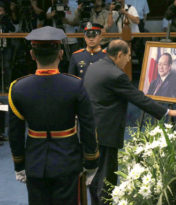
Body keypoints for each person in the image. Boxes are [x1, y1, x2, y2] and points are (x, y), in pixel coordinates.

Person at [8, 26, 99, 205]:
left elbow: (15, 133)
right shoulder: (75, 86)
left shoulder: (17, 88)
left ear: (32, 55)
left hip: (34, 162)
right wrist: (91, 161)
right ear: (60, 54)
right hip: (68, 161)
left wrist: (19, 164)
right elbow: (88, 126)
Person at [83, 39, 176, 205]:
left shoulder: (95, 66)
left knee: (95, 177)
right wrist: (167, 112)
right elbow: (139, 99)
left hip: (91, 129)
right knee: (107, 179)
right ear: (119, 54)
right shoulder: (116, 75)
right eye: (128, 56)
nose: (129, 60)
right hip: (107, 132)